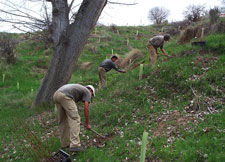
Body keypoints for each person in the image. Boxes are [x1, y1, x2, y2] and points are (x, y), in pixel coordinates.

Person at [53, 84, 95, 152]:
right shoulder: (87, 92)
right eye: (91, 95)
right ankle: (75, 145)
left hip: (56, 95)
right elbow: (86, 109)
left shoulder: (78, 90)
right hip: (64, 95)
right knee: (75, 119)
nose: (90, 97)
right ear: (91, 91)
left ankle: (65, 144)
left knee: (63, 120)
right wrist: (88, 124)